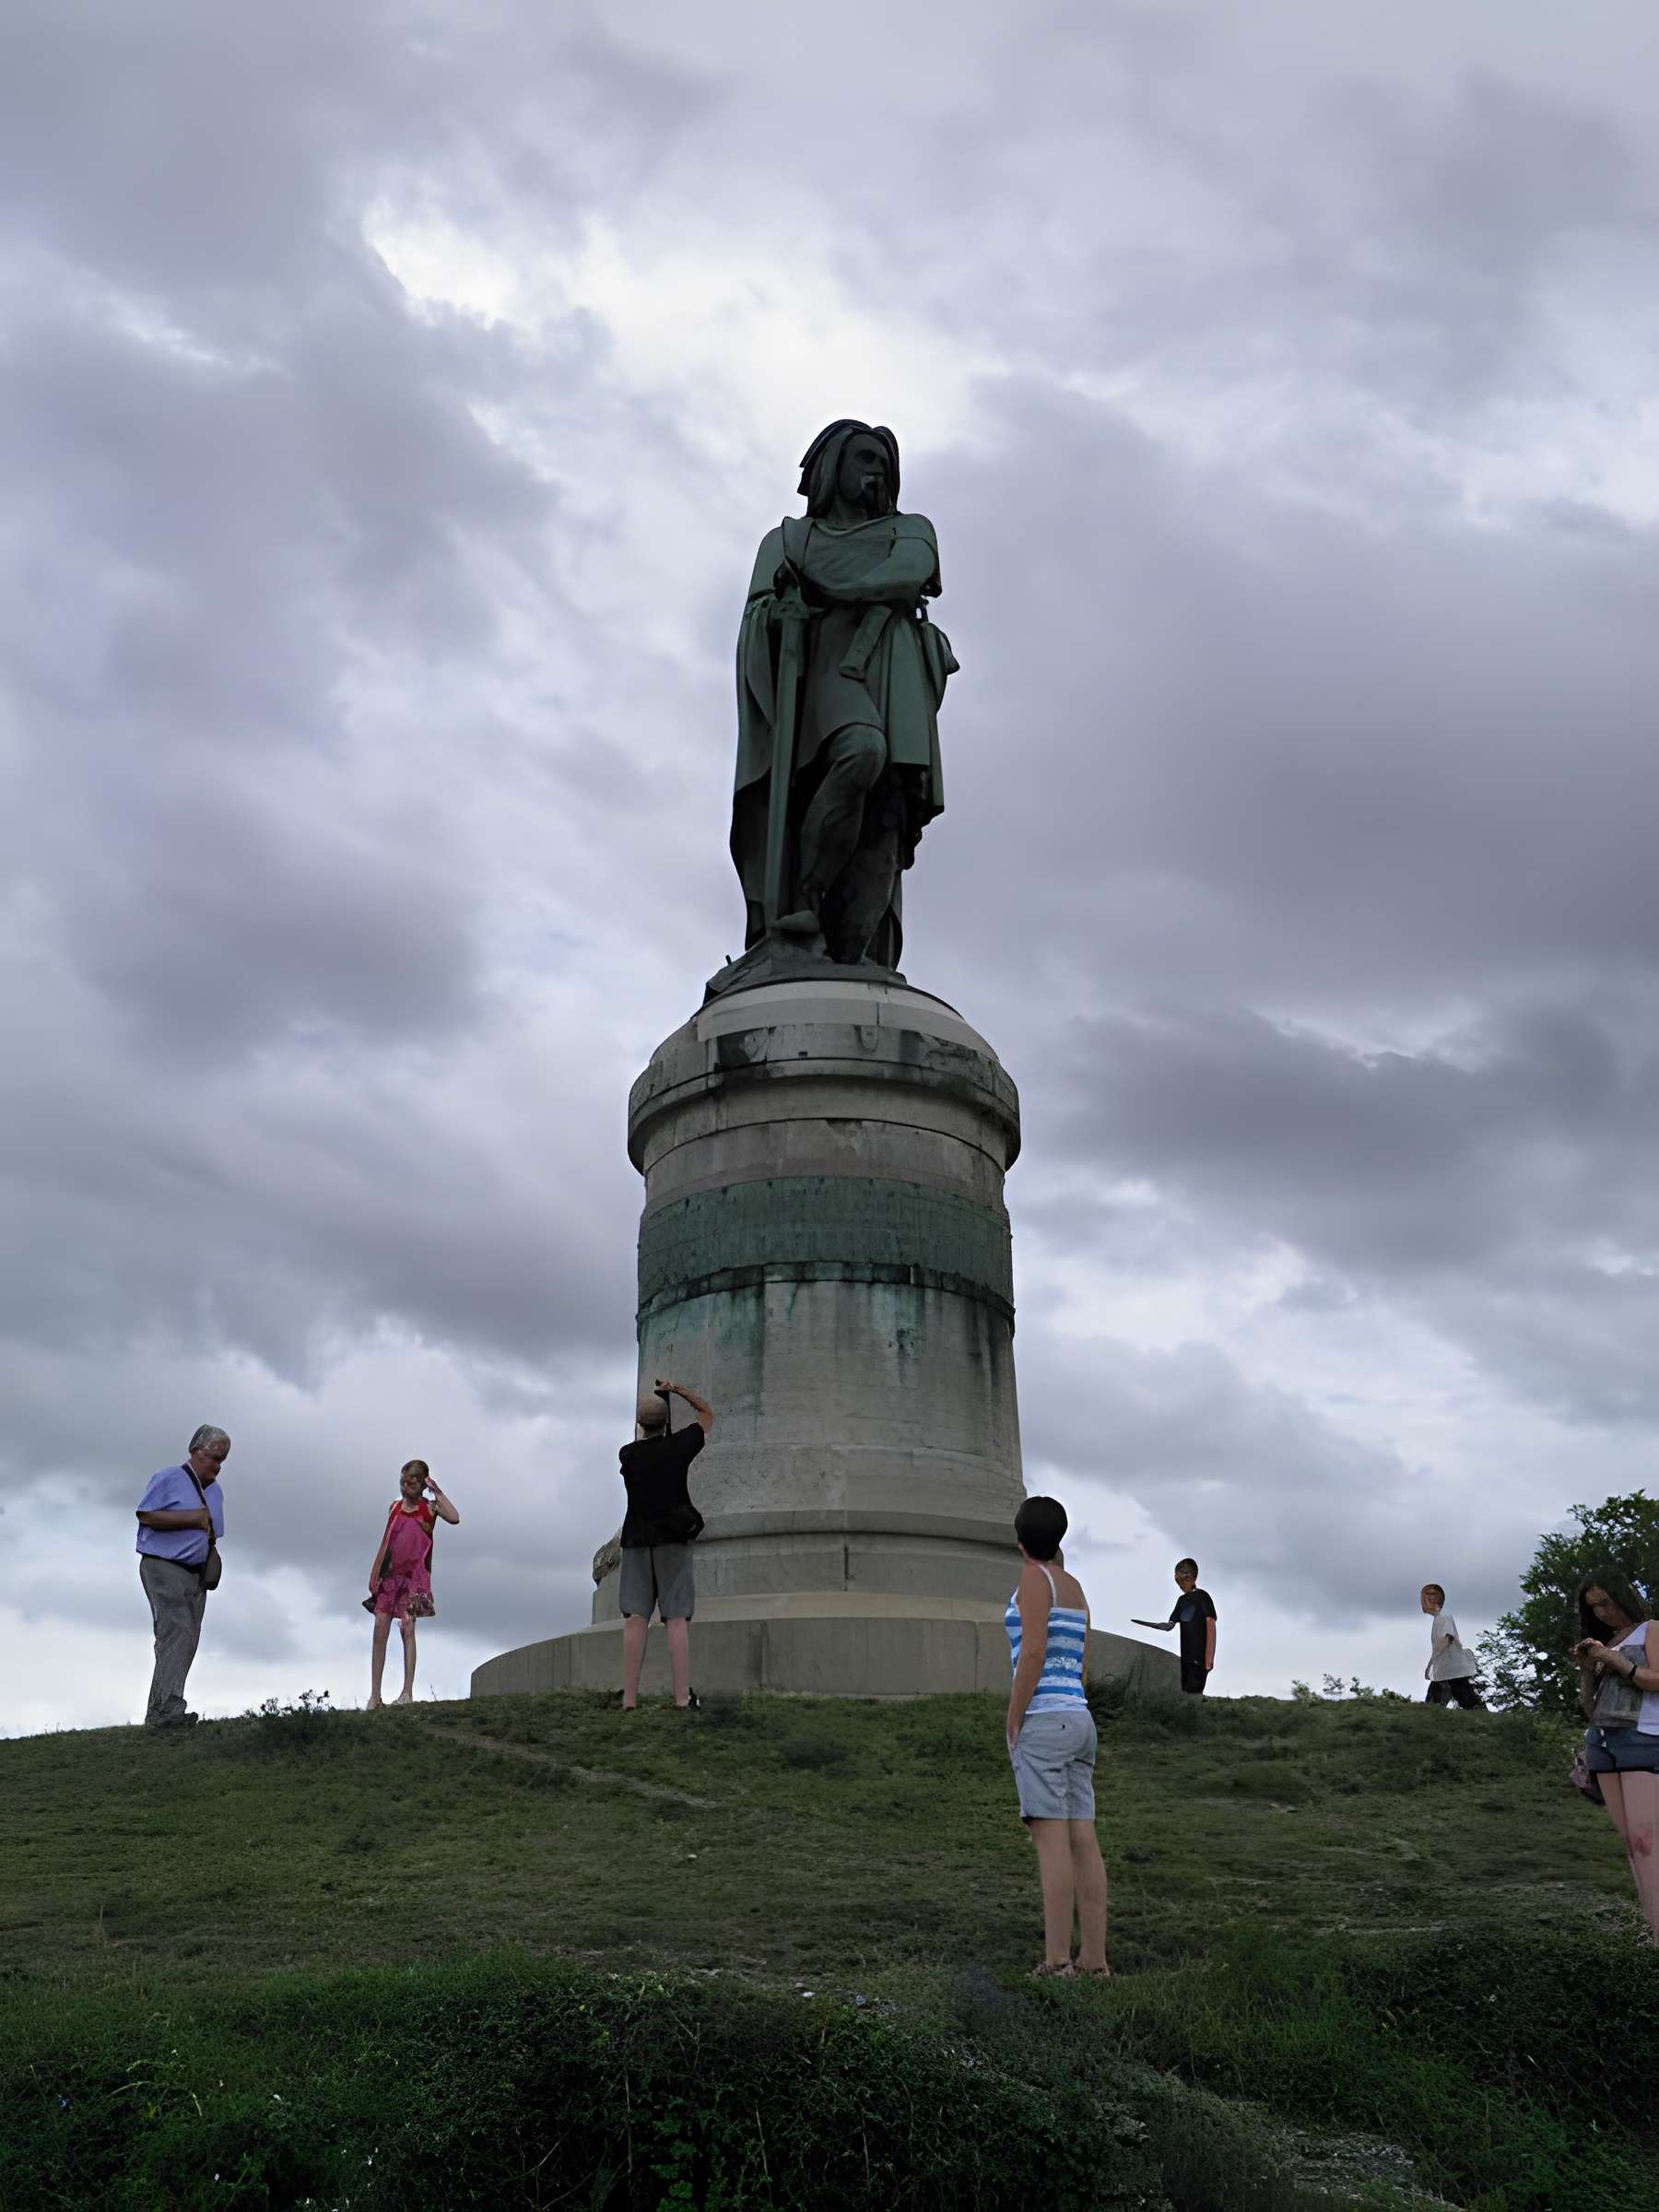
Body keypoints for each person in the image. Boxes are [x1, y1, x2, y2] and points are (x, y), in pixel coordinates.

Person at [1005, 1495, 1109, 1980]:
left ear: (1021, 1541)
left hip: (1045, 1721)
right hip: (1079, 1719)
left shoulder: (1033, 1578)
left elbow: (1032, 1653)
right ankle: (1094, 1962)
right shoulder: (1074, 1585)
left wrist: (1015, 1716)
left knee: (1051, 1844)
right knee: (1083, 1839)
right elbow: (1082, 1657)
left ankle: (1056, 1962)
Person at [1572, 1566, 1659, 1945]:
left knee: (1646, 1839)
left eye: (1606, 1603)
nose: (1603, 1612)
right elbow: (1591, 1708)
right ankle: (1653, 1925)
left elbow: (1657, 1679)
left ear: (1623, 1595)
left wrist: (1615, 1659)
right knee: (1630, 1843)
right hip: (1603, 1741)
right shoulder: (1609, 1640)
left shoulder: (1651, 1629)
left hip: (1643, 1738)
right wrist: (1588, 1669)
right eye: (1594, 1608)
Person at [618, 1378, 713, 1711]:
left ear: (640, 1424)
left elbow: (649, 1448)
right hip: (672, 1538)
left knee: (635, 1618)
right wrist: (678, 1391)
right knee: (675, 1618)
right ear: (665, 1422)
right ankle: (681, 1697)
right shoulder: (678, 1448)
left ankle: (629, 1699)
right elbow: (707, 1414)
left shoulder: (628, 1455)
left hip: (636, 1539)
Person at [134, 1425, 229, 1732]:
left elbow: (215, 1532)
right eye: (213, 1458)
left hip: (195, 1575)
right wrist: (191, 1518)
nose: (217, 1466)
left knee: (186, 1639)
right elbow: (146, 1514)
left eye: (222, 1460)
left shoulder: (215, 1491)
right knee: (175, 1630)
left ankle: (165, 1706)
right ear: (195, 1451)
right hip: (164, 1566)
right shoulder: (169, 1478)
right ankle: (166, 1711)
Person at [363, 1461, 459, 1708]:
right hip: (390, 1577)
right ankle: (375, 1696)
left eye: (413, 1482)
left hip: (413, 1579)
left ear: (422, 1482)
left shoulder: (430, 1509)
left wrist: (435, 1490)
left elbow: (455, 1517)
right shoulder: (394, 1508)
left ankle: (407, 1692)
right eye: (404, 1481)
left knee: (407, 1628)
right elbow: (386, 1543)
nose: (407, 1486)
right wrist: (376, 1576)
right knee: (379, 1630)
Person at [1135, 1559, 1217, 1693]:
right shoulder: (1182, 1601)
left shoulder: (1203, 1597)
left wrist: (1209, 1658)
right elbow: (1170, 1624)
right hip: (1186, 1656)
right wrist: (1160, 1626)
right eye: (1177, 1581)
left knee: (1195, 1691)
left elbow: (1210, 1625)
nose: (1180, 1584)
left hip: (1199, 1658)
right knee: (1185, 1690)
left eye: (1182, 1580)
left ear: (1191, 1577)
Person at [1419, 1583, 1486, 1709]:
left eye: (1423, 1599)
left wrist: (1433, 1659)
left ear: (1431, 1600)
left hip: (1451, 1667)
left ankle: (1480, 1713)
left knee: (1465, 1696)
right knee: (1460, 1695)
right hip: (1446, 1667)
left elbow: (1447, 1638)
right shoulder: (1440, 1618)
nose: (1422, 1603)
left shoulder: (1444, 1617)